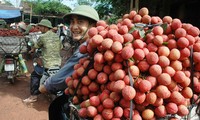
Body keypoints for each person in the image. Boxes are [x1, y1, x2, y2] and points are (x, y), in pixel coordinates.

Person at [38, 5, 99, 119]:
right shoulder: (92, 44)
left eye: (80, 22)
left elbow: (59, 80)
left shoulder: (87, 48)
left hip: (88, 105)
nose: (74, 27)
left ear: (93, 25)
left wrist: (44, 87)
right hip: (91, 101)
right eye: (72, 22)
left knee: (57, 108)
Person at [23, 19, 63, 103]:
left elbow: (36, 46)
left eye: (40, 27)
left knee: (35, 75)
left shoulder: (42, 37)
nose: (39, 28)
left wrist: (32, 50)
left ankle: (33, 96)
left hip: (47, 64)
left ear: (45, 27)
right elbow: (61, 47)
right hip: (58, 63)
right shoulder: (56, 36)